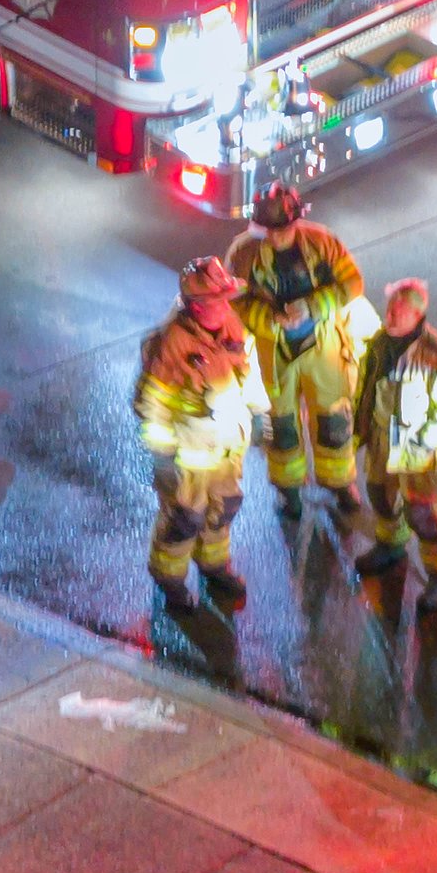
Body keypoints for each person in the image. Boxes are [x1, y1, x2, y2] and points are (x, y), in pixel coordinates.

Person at [226, 186, 369, 526]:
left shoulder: (323, 242)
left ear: (296, 221)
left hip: (323, 346)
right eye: (270, 230)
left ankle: (340, 484)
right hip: (275, 351)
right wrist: (270, 319)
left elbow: (352, 283)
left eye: (284, 229)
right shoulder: (243, 253)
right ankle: (289, 491)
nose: (277, 237)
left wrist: (313, 306)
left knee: (333, 420)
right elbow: (235, 300)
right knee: (282, 425)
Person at [137, 256, 268, 616]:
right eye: (216, 301)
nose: (225, 306)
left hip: (227, 451)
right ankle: (170, 579)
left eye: (226, 298)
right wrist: (163, 455)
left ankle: (213, 565)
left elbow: (249, 373)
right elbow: (153, 404)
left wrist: (259, 412)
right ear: (196, 306)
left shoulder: (233, 327)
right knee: (184, 520)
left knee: (223, 511)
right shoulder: (172, 344)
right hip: (189, 460)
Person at [351, 277, 437, 588]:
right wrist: (359, 428)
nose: (389, 315)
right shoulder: (380, 343)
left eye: (399, 311)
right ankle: (390, 546)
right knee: (381, 496)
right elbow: (366, 388)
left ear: (417, 316)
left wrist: (421, 444)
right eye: (389, 307)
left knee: (427, 516)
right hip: (382, 440)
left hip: (421, 452)